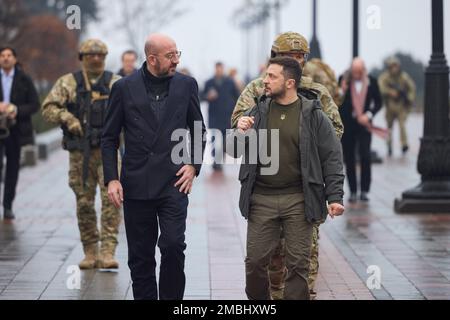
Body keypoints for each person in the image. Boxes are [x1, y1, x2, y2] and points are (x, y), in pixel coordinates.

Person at [231, 31, 344, 300]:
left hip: (302, 191)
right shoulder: (258, 90)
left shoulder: (316, 93)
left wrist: (308, 147)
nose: (296, 60)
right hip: (265, 190)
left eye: (300, 56)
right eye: (289, 56)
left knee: (303, 265)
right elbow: (236, 125)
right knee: (264, 264)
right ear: (275, 57)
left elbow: (334, 134)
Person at [102, 33, 206, 300]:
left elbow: (197, 128)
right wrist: (112, 179)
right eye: (170, 56)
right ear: (152, 59)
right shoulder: (123, 88)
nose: (176, 60)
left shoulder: (186, 85)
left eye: (177, 54)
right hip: (136, 184)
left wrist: (193, 165)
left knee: (173, 246)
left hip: (174, 182)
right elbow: (109, 137)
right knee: (141, 257)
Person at [42, 39, 121, 269]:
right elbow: (48, 108)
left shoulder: (116, 83)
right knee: (84, 203)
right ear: (82, 57)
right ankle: (90, 251)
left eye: (100, 55)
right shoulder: (68, 83)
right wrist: (68, 118)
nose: (96, 58)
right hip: (80, 154)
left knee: (112, 201)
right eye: (90, 55)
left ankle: (107, 251)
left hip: (109, 153)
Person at [0, 46, 39, 221]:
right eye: (2, 55)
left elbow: (34, 104)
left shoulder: (24, 79)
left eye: (9, 55)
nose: (6, 58)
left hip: (16, 130)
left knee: (13, 168)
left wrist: (15, 109)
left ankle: (7, 205)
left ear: (15, 59)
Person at [339, 57, 382, 203]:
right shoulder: (343, 80)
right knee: (349, 158)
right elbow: (336, 101)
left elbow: (378, 102)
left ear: (363, 70)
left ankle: (364, 191)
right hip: (348, 125)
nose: (356, 74)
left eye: (359, 71)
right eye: (354, 71)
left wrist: (369, 115)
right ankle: (352, 191)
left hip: (364, 125)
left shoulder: (372, 81)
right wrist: (342, 90)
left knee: (365, 156)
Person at [202, 62, 240, 172]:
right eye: (217, 68)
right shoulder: (209, 82)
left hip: (227, 115)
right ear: (215, 69)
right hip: (214, 116)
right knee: (214, 138)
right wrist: (207, 96)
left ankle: (219, 158)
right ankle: (216, 160)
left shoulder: (229, 82)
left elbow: (237, 96)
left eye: (220, 68)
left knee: (224, 139)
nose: (219, 70)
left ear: (222, 69)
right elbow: (202, 96)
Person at [378, 56, 416, 156]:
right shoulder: (385, 77)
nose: (394, 68)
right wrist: (390, 92)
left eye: (396, 66)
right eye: (392, 66)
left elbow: (412, 88)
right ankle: (389, 145)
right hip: (390, 105)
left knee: (402, 125)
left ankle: (404, 144)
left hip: (400, 105)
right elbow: (381, 88)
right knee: (389, 127)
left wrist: (409, 98)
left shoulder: (404, 77)